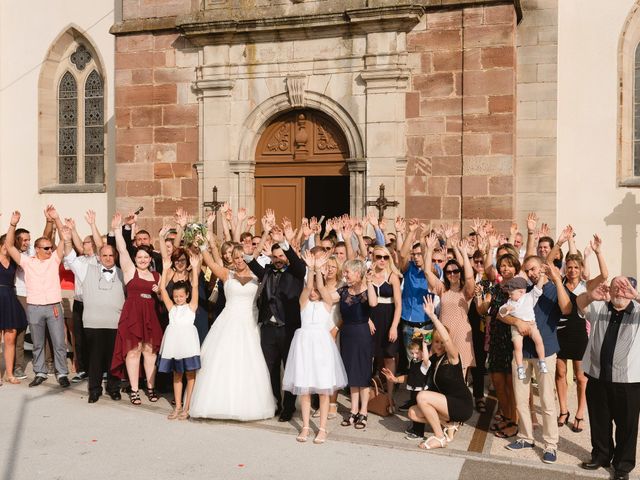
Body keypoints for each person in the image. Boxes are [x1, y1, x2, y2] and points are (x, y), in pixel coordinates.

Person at [191, 238, 275, 421]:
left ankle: (247, 404)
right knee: (223, 360)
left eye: (241, 257)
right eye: (235, 257)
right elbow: (211, 263)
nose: (238, 260)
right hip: (227, 323)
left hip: (249, 323)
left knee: (248, 363)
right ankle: (219, 403)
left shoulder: (258, 277)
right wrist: (203, 245)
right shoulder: (226, 274)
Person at [499, 256, 571, 465]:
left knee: (547, 400)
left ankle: (550, 444)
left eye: (533, 269)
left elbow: (567, 309)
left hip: (545, 352)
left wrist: (557, 280)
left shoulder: (552, 288)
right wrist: (517, 321)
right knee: (521, 399)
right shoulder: (524, 289)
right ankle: (525, 437)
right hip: (522, 352)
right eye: (527, 270)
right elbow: (502, 313)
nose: (531, 273)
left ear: (542, 267)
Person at [577, 277, 640, 480]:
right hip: (597, 376)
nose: (619, 293)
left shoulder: (638, 312)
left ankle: (622, 466)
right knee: (599, 421)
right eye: (616, 288)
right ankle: (601, 456)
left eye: (625, 288)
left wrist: (637, 296)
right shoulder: (600, 307)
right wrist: (590, 295)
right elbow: (578, 304)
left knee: (627, 426)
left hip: (629, 382)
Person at [282, 252, 347, 444]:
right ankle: (305, 426)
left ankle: (323, 428)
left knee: (323, 388)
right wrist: (310, 269)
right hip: (304, 347)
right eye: (310, 291)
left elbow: (319, 285)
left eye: (316, 291)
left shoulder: (327, 303)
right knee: (305, 389)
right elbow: (309, 285)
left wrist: (318, 269)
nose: (313, 292)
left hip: (321, 346)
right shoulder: (304, 304)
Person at [5, 208, 70, 388]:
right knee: (37, 343)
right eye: (46, 248)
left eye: (51, 247)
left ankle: (62, 373)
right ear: (37, 249)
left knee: (58, 342)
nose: (50, 250)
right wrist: (13, 224)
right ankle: (40, 372)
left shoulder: (54, 260)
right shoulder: (27, 261)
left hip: (53, 306)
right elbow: (10, 246)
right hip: (34, 307)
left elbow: (64, 239)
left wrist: (56, 218)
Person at [247, 224, 306, 422]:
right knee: (270, 368)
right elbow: (250, 261)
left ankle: (289, 407)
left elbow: (298, 263)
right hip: (269, 329)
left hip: (288, 328)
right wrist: (259, 240)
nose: (278, 260)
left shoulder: (296, 272)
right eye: (275, 257)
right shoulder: (267, 271)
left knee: (289, 368)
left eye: (281, 256)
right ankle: (275, 403)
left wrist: (283, 241)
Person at [110, 213, 163, 405]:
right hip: (133, 315)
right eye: (139, 256)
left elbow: (163, 298)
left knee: (150, 352)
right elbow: (122, 250)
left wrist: (158, 293)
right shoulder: (130, 270)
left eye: (145, 257)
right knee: (133, 352)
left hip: (151, 316)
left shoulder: (157, 276)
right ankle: (134, 389)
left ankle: (150, 387)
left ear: (150, 258)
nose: (142, 259)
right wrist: (117, 230)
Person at [407, 296, 473, 450]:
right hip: (445, 404)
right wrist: (396, 379)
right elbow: (418, 372)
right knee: (413, 413)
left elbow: (447, 340)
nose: (439, 345)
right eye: (436, 342)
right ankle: (449, 424)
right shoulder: (434, 360)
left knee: (422, 397)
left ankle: (439, 437)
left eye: (442, 342)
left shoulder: (452, 356)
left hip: (461, 404)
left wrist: (433, 316)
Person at [63, 240, 124, 403]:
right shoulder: (86, 270)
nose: (108, 258)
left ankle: (113, 388)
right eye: (104, 255)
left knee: (114, 359)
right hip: (93, 323)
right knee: (95, 359)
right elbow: (70, 258)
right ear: (99, 256)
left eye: (111, 255)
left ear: (115, 256)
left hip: (115, 323)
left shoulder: (123, 273)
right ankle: (94, 390)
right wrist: (67, 239)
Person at [158, 252, 202, 420]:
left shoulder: (191, 307)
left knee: (190, 374)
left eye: (181, 296)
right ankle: (177, 406)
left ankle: (187, 406)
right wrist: (165, 270)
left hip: (188, 344)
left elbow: (196, 287)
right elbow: (162, 289)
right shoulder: (172, 308)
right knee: (177, 374)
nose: (178, 299)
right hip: (174, 344)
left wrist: (196, 267)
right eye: (175, 296)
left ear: (187, 295)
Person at [424, 235, 475, 374]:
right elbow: (427, 272)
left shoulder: (466, 290)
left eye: (456, 271)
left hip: (461, 333)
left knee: (461, 370)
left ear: (460, 272)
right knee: (440, 369)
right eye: (449, 272)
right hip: (442, 332)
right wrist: (429, 249)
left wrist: (464, 253)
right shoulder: (442, 289)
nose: (452, 274)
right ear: (445, 274)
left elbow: (470, 277)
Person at [339, 259, 378, 430]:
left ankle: (364, 410)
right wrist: (316, 272)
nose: (345, 275)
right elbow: (326, 296)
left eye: (348, 272)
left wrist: (369, 282)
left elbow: (373, 303)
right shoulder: (342, 291)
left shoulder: (367, 290)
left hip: (362, 334)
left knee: (363, 373)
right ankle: (353, 410)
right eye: (345, 272)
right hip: (347, 334)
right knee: (352, 374)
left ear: (358, 273)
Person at [368, 245, 402, 412]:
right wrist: (367, 320)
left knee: (389, 357)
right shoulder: (368, 275)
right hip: (371, 318)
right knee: (369, 357)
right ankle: (366, 397)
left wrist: (394, 326)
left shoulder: (393, 276)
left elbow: (398, 304)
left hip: (388, 318)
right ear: (373, 257)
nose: (382, 260)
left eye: (385, 257)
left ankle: (389, 396)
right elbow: (361, 298)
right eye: (378, 256)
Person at [499, 275, 547, 379]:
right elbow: (501, 312)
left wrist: (542, 275)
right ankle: (520, 367)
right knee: (517, 346)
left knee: (539, 340)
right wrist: (506, 309)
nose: (509, 295)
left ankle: (542, 361)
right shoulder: (509, 302)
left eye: (511, 293)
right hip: (516, 328)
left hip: (531, 324)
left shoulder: (529, 297)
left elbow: (538, 288)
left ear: (521, 291)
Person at [381, 338, 430, 440]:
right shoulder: (413, 361)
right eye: (412, 353)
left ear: (423, 352)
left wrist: (424, 345)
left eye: (417, 353)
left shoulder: (425, 364)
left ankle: (419, 433)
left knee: (418, 411)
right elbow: (408, 377)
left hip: (420, 392)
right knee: (413, 409)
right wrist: (395, 379)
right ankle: (414, 427)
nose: (414, 356)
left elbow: (426, 359)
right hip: (413, 391)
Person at [0, 233, 27, 384]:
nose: (6, 247)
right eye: (4, 244)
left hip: (9, 298)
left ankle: (10, 374)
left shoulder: (14, 261)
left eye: (8, 245)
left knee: (10, 338)